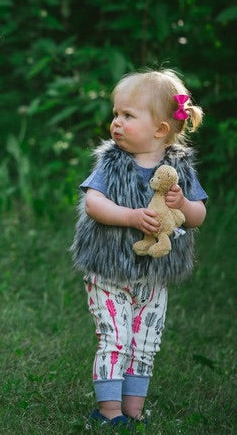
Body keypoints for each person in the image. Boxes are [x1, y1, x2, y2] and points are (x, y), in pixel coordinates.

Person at [70, 69, 207, 427]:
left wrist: (182, 205)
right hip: (110, 270)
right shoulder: (112, 161)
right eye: (116, 113)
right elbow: (93, 204)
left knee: (145, 343)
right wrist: (131, 216)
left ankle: (132, 411)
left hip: (153, 276)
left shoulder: (177, 169)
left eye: (128, 116)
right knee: (115, 338)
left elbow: (198, 215)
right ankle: (109, 412)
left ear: (161, 129)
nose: (116, 122)